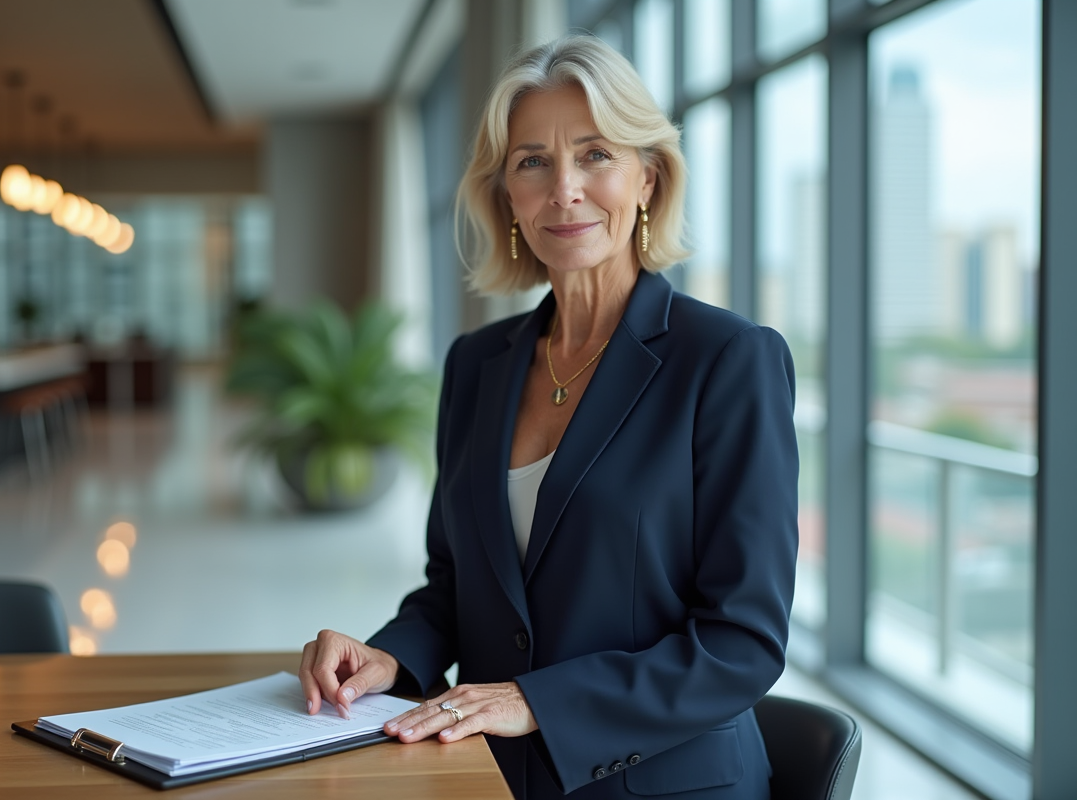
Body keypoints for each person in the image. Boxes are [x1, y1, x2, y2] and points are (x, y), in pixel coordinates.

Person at [299, 35, 798, 800]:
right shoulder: (476, 363)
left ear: (647, 178)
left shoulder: (728, 359)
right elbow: (455, 585)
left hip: (667, 784)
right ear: (507, 194)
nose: (564, 189)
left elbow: (743, 643)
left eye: (595, 155)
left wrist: (537, 702)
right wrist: (390, 657)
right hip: (490, 777)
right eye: (533, 161)